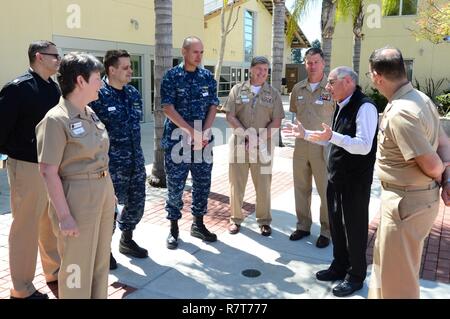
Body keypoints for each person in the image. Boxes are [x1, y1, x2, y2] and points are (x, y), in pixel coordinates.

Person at [286, 66, 378, 297]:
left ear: (347, 82)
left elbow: (364, 145)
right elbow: (330, 141)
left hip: (355, 182)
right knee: (337, 225)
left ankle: (356, 276)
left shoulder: (365, 106)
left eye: (332, 82)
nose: (328, 87)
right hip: (336, 178)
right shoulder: (341, 105)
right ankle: (339, 266)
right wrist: (305, 134)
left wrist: (333, 137)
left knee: (354, 229)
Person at [366, 47, 450, 299]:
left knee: (398, 282)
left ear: (377, 77)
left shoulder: (401, 112)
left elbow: (433, 164)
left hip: (406, 203)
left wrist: (440, 175)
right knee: (387, 271)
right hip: (409, 202)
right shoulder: (421, 99)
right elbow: (445, 143)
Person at [36, 52, 115, 298]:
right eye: (97, 78)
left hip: (102, 192)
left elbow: (100, 155)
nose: (101, 83)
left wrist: (109, 194)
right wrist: (64, 216)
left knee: (100, 262)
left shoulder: (89, 113)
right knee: (77, 267)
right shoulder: (56, 119)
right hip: (77, 198)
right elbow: (48, 171)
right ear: (81, 81)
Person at [0, 40, 60, 299]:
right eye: (54, 55)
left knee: (49, 222)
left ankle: (54, 270)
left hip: (51, 166)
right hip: (26, 166)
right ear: (39, 57)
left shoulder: (53, 87)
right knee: (26, 228)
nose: (59, 59)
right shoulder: (18, 88)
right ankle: (21, 289)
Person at [90, 50, 148, 270]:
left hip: (135, 160)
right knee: (109, 210)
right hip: (111, 164)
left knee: (136, 204)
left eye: (130, 67)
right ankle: (104, 250)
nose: (130, 71)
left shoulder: (133, 93)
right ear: (111, 69)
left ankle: (127, 240)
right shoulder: (98, 95)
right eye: (125, 67)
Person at [160, 36, 219, 249]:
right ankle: (174, 228)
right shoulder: (172, 76)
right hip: (178, 141)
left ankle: (198, 224)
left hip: (202, 141)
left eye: (201, 52)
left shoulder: (207, 77)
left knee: (202, 184)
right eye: (195, 52)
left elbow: (213, 105)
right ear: (184, 52)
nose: (199, 56)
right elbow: (168, 108)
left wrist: (204, 132)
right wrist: (191, 132)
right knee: (175, 186)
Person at [223, 56, 285, 236]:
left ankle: (264, 221)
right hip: (240, 145)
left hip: (263, 147)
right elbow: (230, 116)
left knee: (264, 184)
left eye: (266, 70)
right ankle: (235, 219)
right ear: (251, 69)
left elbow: (276, 121)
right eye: (259, 69)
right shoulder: (237, 90)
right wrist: (247, 135)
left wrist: (258, 139)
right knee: (236, 183)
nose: (263, 73)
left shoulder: (273, 94)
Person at [288, 48, 334, 248]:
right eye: (308, 62)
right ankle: (303, 225)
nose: (312, 66)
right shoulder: (298, 89)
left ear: (323, 63)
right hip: (300, 145)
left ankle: (326, 230)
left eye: (316, 62)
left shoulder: (332, 88)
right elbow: (295, 113)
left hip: (322, 147)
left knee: (325, 190)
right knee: (301, 187)